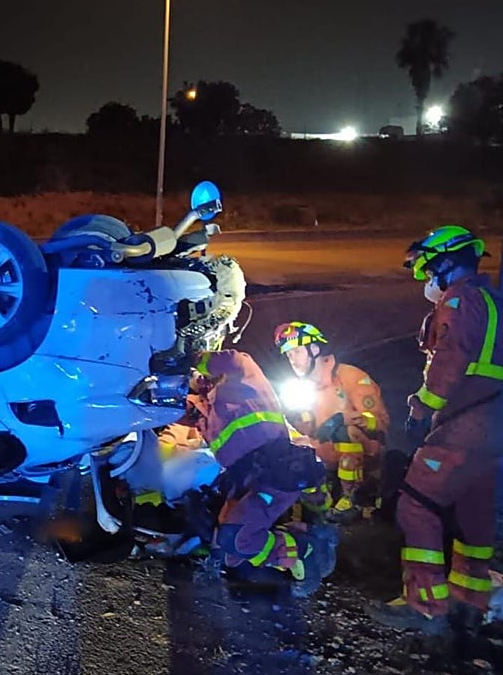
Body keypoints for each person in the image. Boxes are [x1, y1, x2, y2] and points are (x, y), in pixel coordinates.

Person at [366, 225, 503, 634]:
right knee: (474, 512)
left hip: (466, 424)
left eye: (427, 269)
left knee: (416, 504)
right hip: (494, 426)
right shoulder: (493, 299)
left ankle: (426, 606)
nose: (426, 278)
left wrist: (421, 407)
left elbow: (450, 361)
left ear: (446, 263)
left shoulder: (459, 301)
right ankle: (470, 601)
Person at [187, 346, 333, 587]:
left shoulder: (239, 373)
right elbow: (191, 416)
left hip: (274, 470)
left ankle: (303, 547)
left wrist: (194, 358)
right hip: (244, 478)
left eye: (196, 374)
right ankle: (242, 564)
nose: (196, 378)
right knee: (227, 548)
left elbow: (234, 358)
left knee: (235, 538)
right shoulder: (209, 406)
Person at [273, 321, 391, 521]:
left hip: (365, 456)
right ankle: (310, 502)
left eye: (297, 352)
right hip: (327, 456)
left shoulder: (350, 376)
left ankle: (352, 498)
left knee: (346, 431)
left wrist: (344, 419)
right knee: (288, 442)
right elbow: (306, 432)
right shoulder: (300, 387)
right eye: (289, 355)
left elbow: (379, 422)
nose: (293, 360)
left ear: (314, 349)